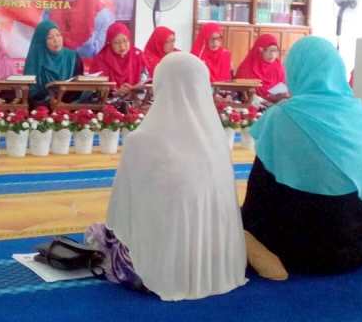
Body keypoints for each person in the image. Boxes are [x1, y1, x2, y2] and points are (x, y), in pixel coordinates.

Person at [242, 36, 362, 278]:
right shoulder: (360, 114)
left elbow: (259, 192)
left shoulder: (281, 116)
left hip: (294, 249)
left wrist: (242, 225)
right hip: (356, 244)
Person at [85, 52, 247, 300]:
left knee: (98, 236)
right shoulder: (215, 141)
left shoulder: (142, 140)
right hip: (218, 265)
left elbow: (119, 216)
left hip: (160, 268)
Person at [23, 20, 83, 106]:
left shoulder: (73, 57)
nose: (56, 40)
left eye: (58, 35)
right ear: (41, 42)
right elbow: (32, 92)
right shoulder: (35, 59)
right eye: (50, 37)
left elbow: (78, 85)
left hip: (70, 104)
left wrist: (65, 104)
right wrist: (51, 101)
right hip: (43, 106)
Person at [90, 22, 146, 98]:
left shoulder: (138, 55)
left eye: (125, 41)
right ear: (109, 43)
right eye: (116, 43)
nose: (122, 46)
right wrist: (115, 93)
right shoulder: (100, 59)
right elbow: (94, 89)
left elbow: (147, 81)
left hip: (135, 99)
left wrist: (134, 88)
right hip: (108, 101)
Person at [234, 34, 288, 103]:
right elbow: (241, 93)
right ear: (259, 50)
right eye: (267, 50)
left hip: (276, 105)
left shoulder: (278, 67)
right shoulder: (246, 68)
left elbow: (283, 87)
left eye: (274, 50)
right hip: (251, 105)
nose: (272, 55)